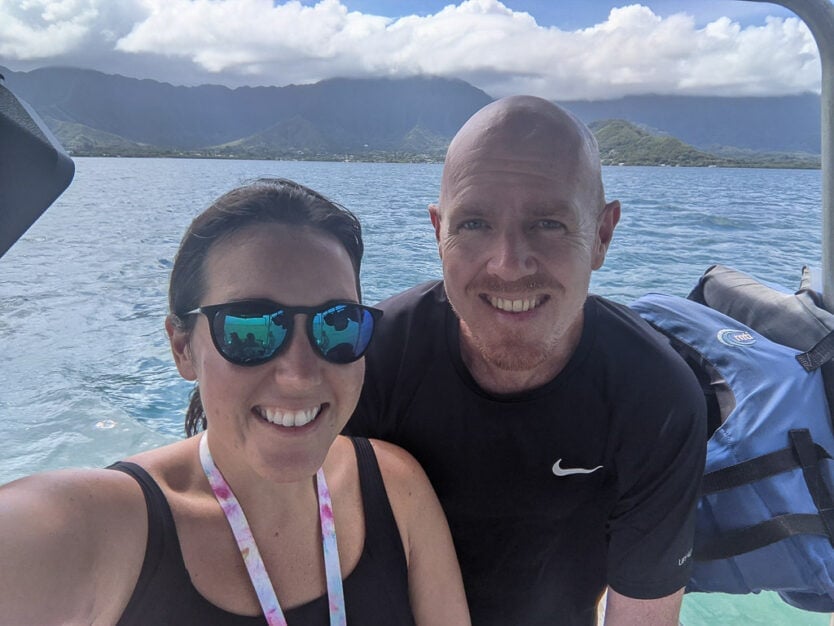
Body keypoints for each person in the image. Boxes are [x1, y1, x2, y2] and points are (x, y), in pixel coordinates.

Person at [0, 178, 470, 625]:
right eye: (251, 329)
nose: (300, 373)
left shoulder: (396, 489)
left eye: (338, 325)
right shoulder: (100, 531)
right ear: (183, 348)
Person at [346, 96, 707, 625]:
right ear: (438, 233)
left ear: (602, 235)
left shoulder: (655, 396)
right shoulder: (372, 362)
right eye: (473, 224)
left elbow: (642, 615)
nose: (509, 265)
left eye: (548, 223)